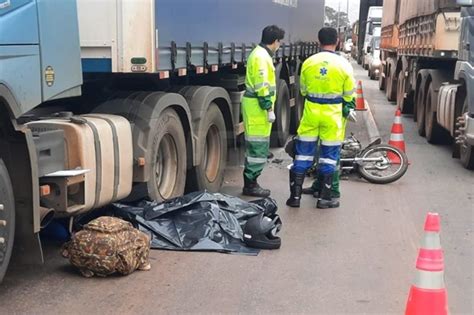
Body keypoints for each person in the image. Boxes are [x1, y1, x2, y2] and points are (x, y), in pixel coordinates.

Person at [286, 27, 356, 209]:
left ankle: (295, 198)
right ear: (338, 41)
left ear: (319, 42)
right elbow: (349, 95)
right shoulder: (344, 65)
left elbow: (303, 90)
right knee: (329, 157)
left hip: (311, 113)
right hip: (332, 116)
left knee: (302, 155)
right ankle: (324, 199)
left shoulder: (309, 63)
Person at [242, 25, 285, 197]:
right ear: (274, 42)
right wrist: (268, 107)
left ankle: (252, 181)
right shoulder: (261, 57)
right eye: (279, 42)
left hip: (256, 106)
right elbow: (262, 85)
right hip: (257, 107)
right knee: (256, 146)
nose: (279, 46)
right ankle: (251, 184)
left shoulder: (260, 54)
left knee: (258, 146)